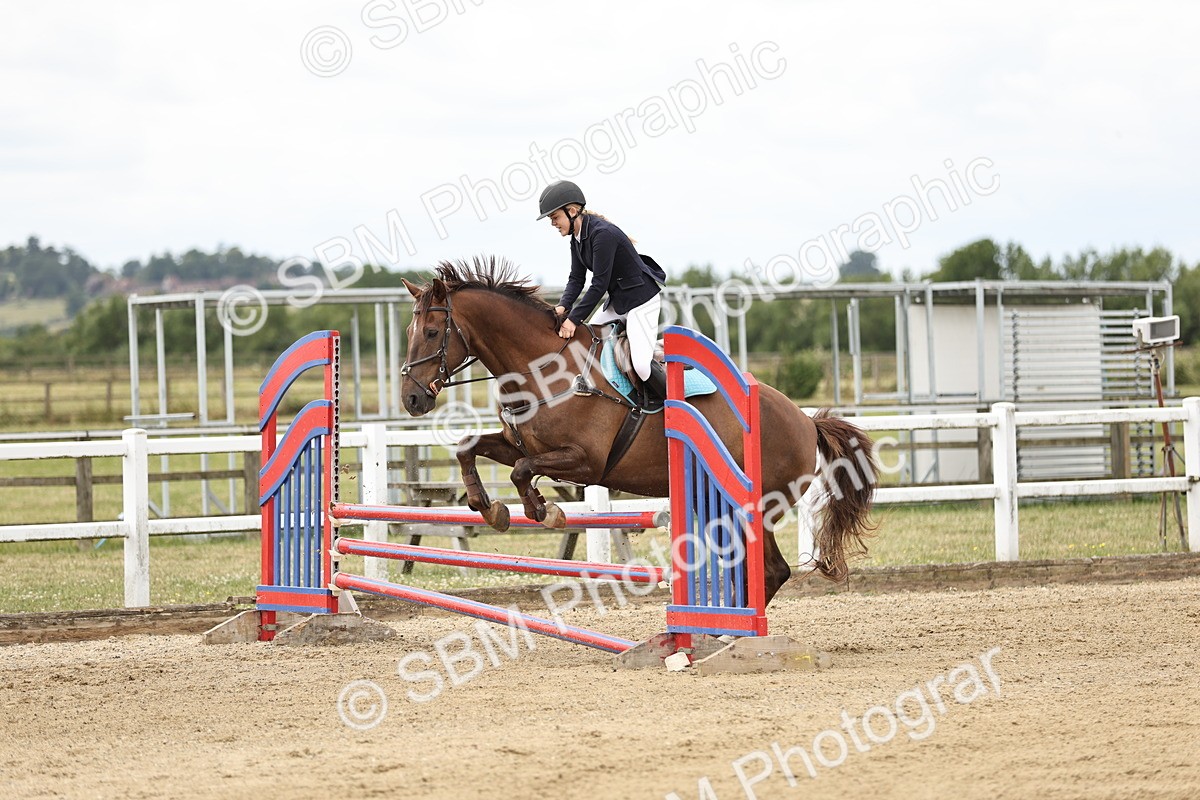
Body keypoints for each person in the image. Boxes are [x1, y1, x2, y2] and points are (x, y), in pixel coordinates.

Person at [537, 180, 669, 411]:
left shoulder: (602, 235)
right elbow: (576, 279)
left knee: (641, 366)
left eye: (555, 217)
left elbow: (598, 284)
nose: (553, 223)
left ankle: (670, 405)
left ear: (572, 211)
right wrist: (562, 307)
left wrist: (573, 320)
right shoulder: (577, 238)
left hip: (642, 302)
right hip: (618, 302)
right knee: (585, 342)